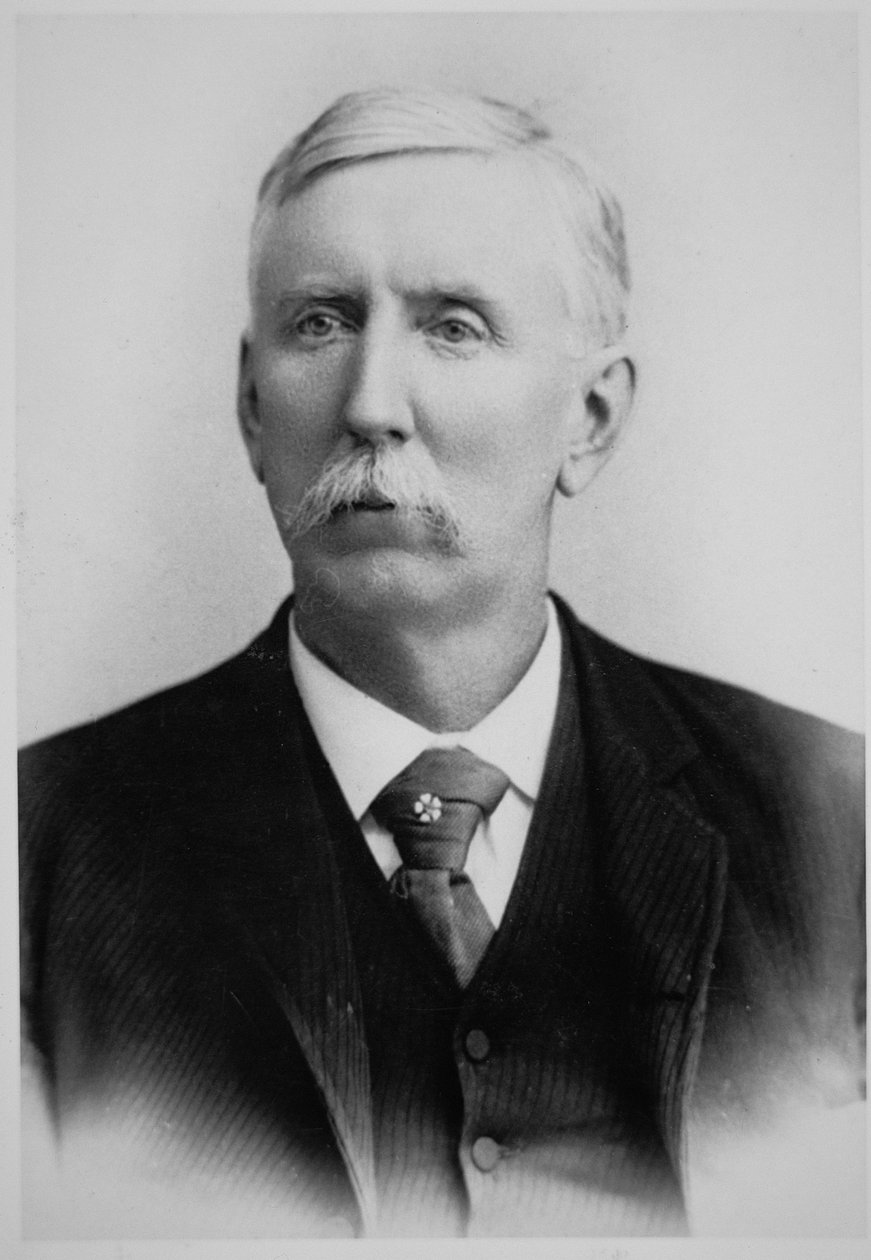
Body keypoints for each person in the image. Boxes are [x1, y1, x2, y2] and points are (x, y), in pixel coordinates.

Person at [19, 88, 864, 1240]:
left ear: (591, 418)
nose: (372, 405)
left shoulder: (830, 824)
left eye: (454, 327)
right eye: (321, 322)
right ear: (252, 407)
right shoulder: (40, 848)